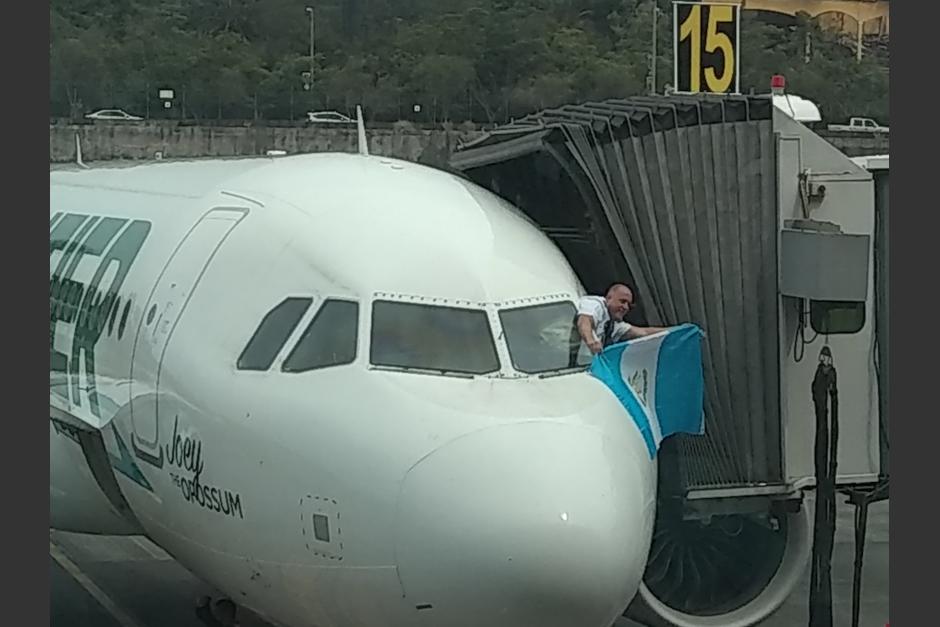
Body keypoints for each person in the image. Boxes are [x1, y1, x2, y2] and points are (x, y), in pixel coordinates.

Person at [576, 283, 667, 355]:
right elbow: (584, 321)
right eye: (622, 301)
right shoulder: (595, 304)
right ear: (609, 298)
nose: (626, 307)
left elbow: (643, 332)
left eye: (629, 305)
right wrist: (590, 341)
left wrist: (675, 330)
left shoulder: (614, 325)